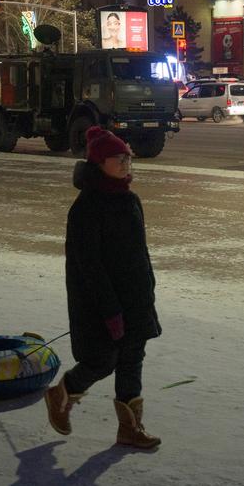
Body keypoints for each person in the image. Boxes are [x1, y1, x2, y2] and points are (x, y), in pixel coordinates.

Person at [44, 126, 162, 449]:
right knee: (102, 360)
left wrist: (148, 286)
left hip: (135, 298)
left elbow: (140, 252)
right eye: (117, 158)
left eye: (127, 157)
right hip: (102, 302)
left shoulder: (130, 200)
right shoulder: (85, 208)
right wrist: (110, 311)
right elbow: (89, 266)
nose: (125, 163)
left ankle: (130, 428)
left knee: (132, 359)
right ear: (99, 163)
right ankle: (61, 393)